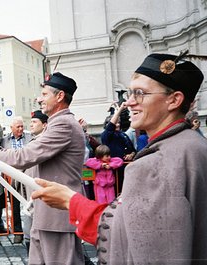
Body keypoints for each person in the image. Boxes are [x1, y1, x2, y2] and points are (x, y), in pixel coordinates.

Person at [31, 52, 207, 264]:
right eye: (130, 93)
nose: (129, 103)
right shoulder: (193, 144)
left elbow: (143, 242)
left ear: (174, 100)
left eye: (140, 93)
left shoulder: (156, 163)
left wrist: (72, 202)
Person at [0, 72, 86, 264]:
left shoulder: (63, 124)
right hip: (45, 214)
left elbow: (25, 156)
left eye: (44, 94)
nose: (39, 99)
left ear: (60, 96)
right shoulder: (56, 123)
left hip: (58, 217)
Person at [0, 116, 32, 244]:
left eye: (22, 126)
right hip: (12, 177)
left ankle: (31, 230)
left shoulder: (29, 138)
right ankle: (18, 232)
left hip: (27, 175)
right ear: (11, 128)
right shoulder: (4, 140)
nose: (20, 129)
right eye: (17, 127)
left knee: (30, 203)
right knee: (14, 206)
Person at [22, 110, 48, 252]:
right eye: (30, 122)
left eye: (34, 122)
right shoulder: (33, 140)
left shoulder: (44, 141)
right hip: (29, 194)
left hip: (41, 193)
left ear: (44, 125)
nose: (31, 125)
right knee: (29, 231)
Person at [101, 103, 136, 194]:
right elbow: (111, 126)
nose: (118, 124)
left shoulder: (123, 134)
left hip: (127, 169)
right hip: (114, 172)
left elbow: (133, 150)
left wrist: (131, 155)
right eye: (116, 123)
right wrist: (119, 110)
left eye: (118, 122)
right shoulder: (106, 135)